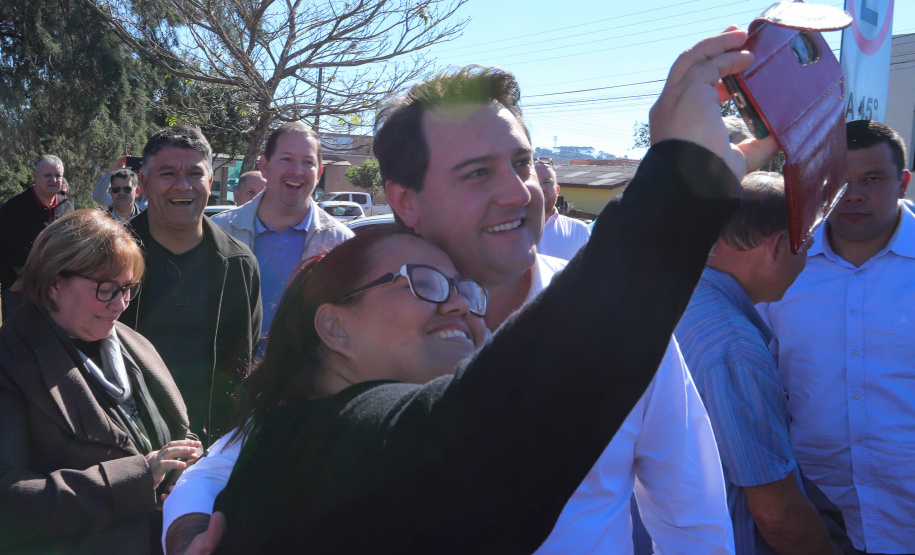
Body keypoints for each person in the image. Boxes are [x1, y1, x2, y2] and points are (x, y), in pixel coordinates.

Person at [162, 27, 775, 554]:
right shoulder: (373, 354)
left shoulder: (634, 322)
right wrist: (198, 531)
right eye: (478, 172)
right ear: (405, 200)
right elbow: (231, 461)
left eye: (522, 162)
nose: (518, 192)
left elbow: (690, 512)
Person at [0, 210, 201, 554]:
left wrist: (183, 463)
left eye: (128, 288)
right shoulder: (9, 363)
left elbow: (168, 431)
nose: (120, 304)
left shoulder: (131, 343)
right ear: (54, 282)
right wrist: (139, 478)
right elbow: (9, 503)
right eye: (106, 289)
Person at [759, 120, 915, 554]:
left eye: (872, 179)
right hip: (816, 522)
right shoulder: (781, 267)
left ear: (902, 182)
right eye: (838, 181)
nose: (853, 194)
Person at [676, 172, 846, 554]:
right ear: (779, 246)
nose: (806, 262)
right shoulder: (735, 347)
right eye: (806, 246)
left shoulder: (674, 298)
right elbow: (778, 516)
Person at [119, 125, 262, 448]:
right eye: (167, 173)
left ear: (210, 182)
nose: (182, 185)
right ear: (143, 182)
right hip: (125, 443)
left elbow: (241, 368)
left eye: (195, 174)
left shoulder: (238, 265)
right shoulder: (106, 259)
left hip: (208, 447)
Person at [211, 123, 353, 345]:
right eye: (286, 159)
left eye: (308, 162)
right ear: (264, 166)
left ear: (320, 172)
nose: (297, 170)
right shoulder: (218, 231)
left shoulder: (342, 243)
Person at [0, 155, 74, 320]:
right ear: (35, 176)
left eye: (58, 176)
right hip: (21, 291)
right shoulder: (14, 208)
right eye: (48, 175)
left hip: (57, 290)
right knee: (18, 341)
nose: (53, 180)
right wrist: (10, 281)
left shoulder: (66, 207)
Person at [534, 157, 591, 260]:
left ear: (557, 190)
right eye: (535, 181)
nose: (541, 187)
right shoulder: (507, 231)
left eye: (547, 182)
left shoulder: (579, 232)